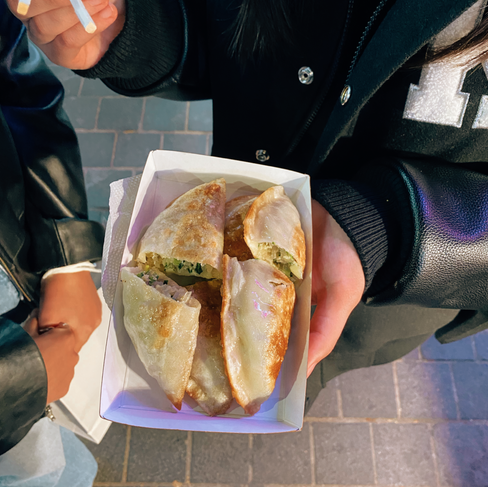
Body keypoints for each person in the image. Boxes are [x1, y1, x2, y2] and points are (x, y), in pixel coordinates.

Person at [9, 0, 488, 396]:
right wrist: (133, 28)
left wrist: (386, 225)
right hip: (222, 226)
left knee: (303, 374)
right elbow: (225, 28)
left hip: (396, 296)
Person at [0, 2, 105, 484]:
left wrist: (68, 260)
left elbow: (18, 83)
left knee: (55, 465)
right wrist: (15, 377)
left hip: (21, 295)